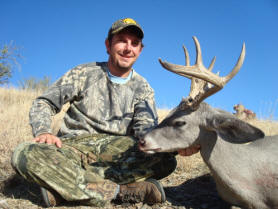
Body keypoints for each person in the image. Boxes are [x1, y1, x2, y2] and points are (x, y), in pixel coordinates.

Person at [11, 18, 199, 207]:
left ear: (140, 51)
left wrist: (175, 146)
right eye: (122, 40)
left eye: (134, 43)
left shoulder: (143, 88)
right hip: (72, 149)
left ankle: (65, 189)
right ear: (108, 45)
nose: (128, 48)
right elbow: (44, 102)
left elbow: (146, 132)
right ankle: (122, 192)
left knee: (165, 160)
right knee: (24, 154)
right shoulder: (83, 73)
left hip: (116, 155)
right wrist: (44, 131)